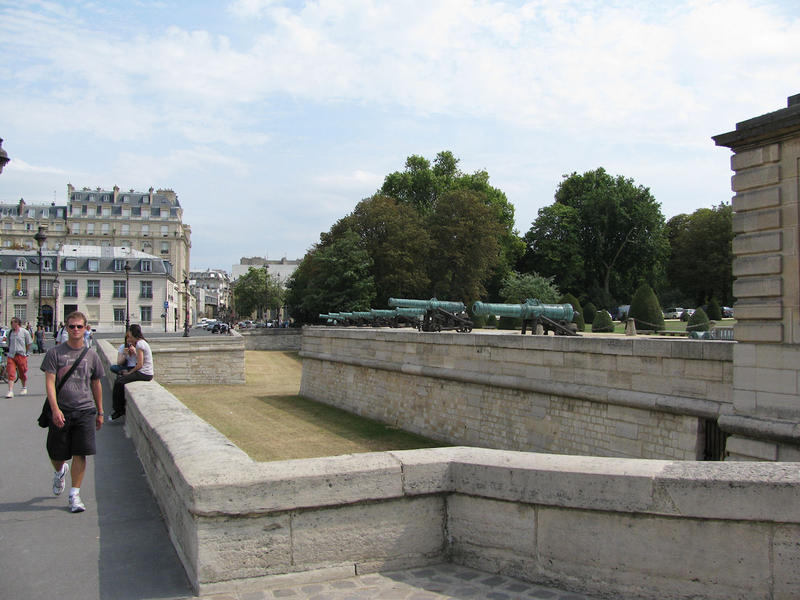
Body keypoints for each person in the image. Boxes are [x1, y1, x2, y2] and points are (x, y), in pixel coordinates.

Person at [41, 311, 105, 513]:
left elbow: (96, 384)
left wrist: (100, 412)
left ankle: (74, 494)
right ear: (66, 328)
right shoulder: (55, 353)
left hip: (85, 410)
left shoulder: (92, 355)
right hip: (62, 409)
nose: (75, 330)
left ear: (86, 329)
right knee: (55, 453)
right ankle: (60, 471)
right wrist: (55, 409)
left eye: (79, 326)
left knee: (81, 452)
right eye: (71, 326)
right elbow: (50, 383)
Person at [110, 324, 153, 420]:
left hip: (144, 374)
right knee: (120, 378)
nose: (128, 339)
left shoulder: (140, 344)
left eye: (130, 336)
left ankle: (119, 410)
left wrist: (129, 373)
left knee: (119, 382)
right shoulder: (142, 343)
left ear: (134, 335)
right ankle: (119, 408)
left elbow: (139, 365)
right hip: (145, 373)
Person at [5, 317, 32, 398]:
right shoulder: (10, 332)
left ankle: (24, 387)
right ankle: (10, 391)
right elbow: (8, 343)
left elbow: (29, 343)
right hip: (12, 355)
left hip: (21, 355)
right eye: (11, 322)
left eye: (13, 322)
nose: (11, 324)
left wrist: (26, 353)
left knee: (22, 372)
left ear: (17, 323)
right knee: (11, 372)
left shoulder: (24, 332)